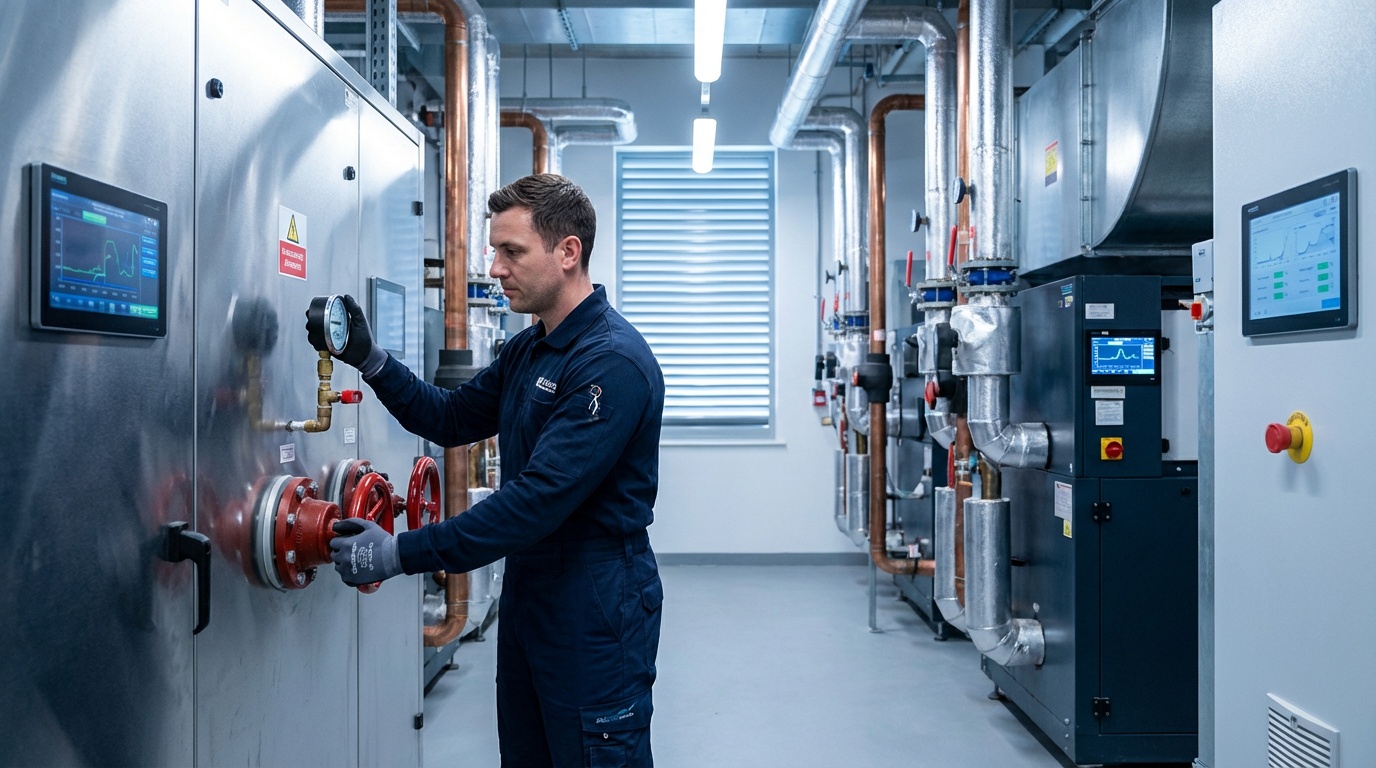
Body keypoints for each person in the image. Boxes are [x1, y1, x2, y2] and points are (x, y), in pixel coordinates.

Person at [314, 174, 665, 767]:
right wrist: (370, 361)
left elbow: (534, 503)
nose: (496, 268)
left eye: (512, 252)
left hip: (596, 600)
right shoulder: (531, 349)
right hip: (532, 590)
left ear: (568, 252)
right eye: (494, 251)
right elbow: (450, 418)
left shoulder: (610, 362)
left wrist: (402, 553)